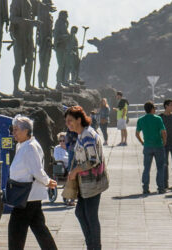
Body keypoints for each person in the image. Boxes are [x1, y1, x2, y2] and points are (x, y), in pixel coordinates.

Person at [7, 115, 59, 250]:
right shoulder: (23, 145)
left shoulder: (30, 147)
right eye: (13, 129)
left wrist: (48, 182)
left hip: (27, 195)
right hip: (29, 195)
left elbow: (37, 170)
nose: (14, 133)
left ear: (26, 131)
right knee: (39, 228)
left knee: (16, 230)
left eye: (16, 130)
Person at [65, 105, 103, 249]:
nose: (68, 124)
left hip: (92, 182)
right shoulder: (82, 134)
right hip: (86, 183)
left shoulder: (87, 135)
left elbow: (93, 160)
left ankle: (94, 246)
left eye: (70, 121)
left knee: (90, 216)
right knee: (80, 212)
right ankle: (91, 245)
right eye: (66, 121)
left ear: (79, 120)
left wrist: (75, 171)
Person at [135, 101, 167, 194]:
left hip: (147, 146)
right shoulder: (158, 119)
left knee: (146, 168)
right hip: (158, 145)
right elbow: (163, 132)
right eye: (155, 108)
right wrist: (164, 141)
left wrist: (142, 142)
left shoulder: (141, 119)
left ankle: (145, 188)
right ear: (152, 109)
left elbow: (137, 134)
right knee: (160, 167)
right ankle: (161, 188)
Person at [35, 0, 56, 88]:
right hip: (43, 42)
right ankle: (40, 84)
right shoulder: (41, 15)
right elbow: (40, 30)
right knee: (43, 64)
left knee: (47, 64)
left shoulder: (50, 17)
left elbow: (50, 30)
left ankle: (45, 83)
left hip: (49, 42)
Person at [53, 11, 71, 88]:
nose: (66, 17)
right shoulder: (58, 23)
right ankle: (58, 82)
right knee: (61, 65)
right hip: (59, 46)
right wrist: (64, 37)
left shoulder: (65, 23)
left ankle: (63, 81)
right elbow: (56, 35)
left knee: (65, 65)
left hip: (64, 46)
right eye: (65, 16)